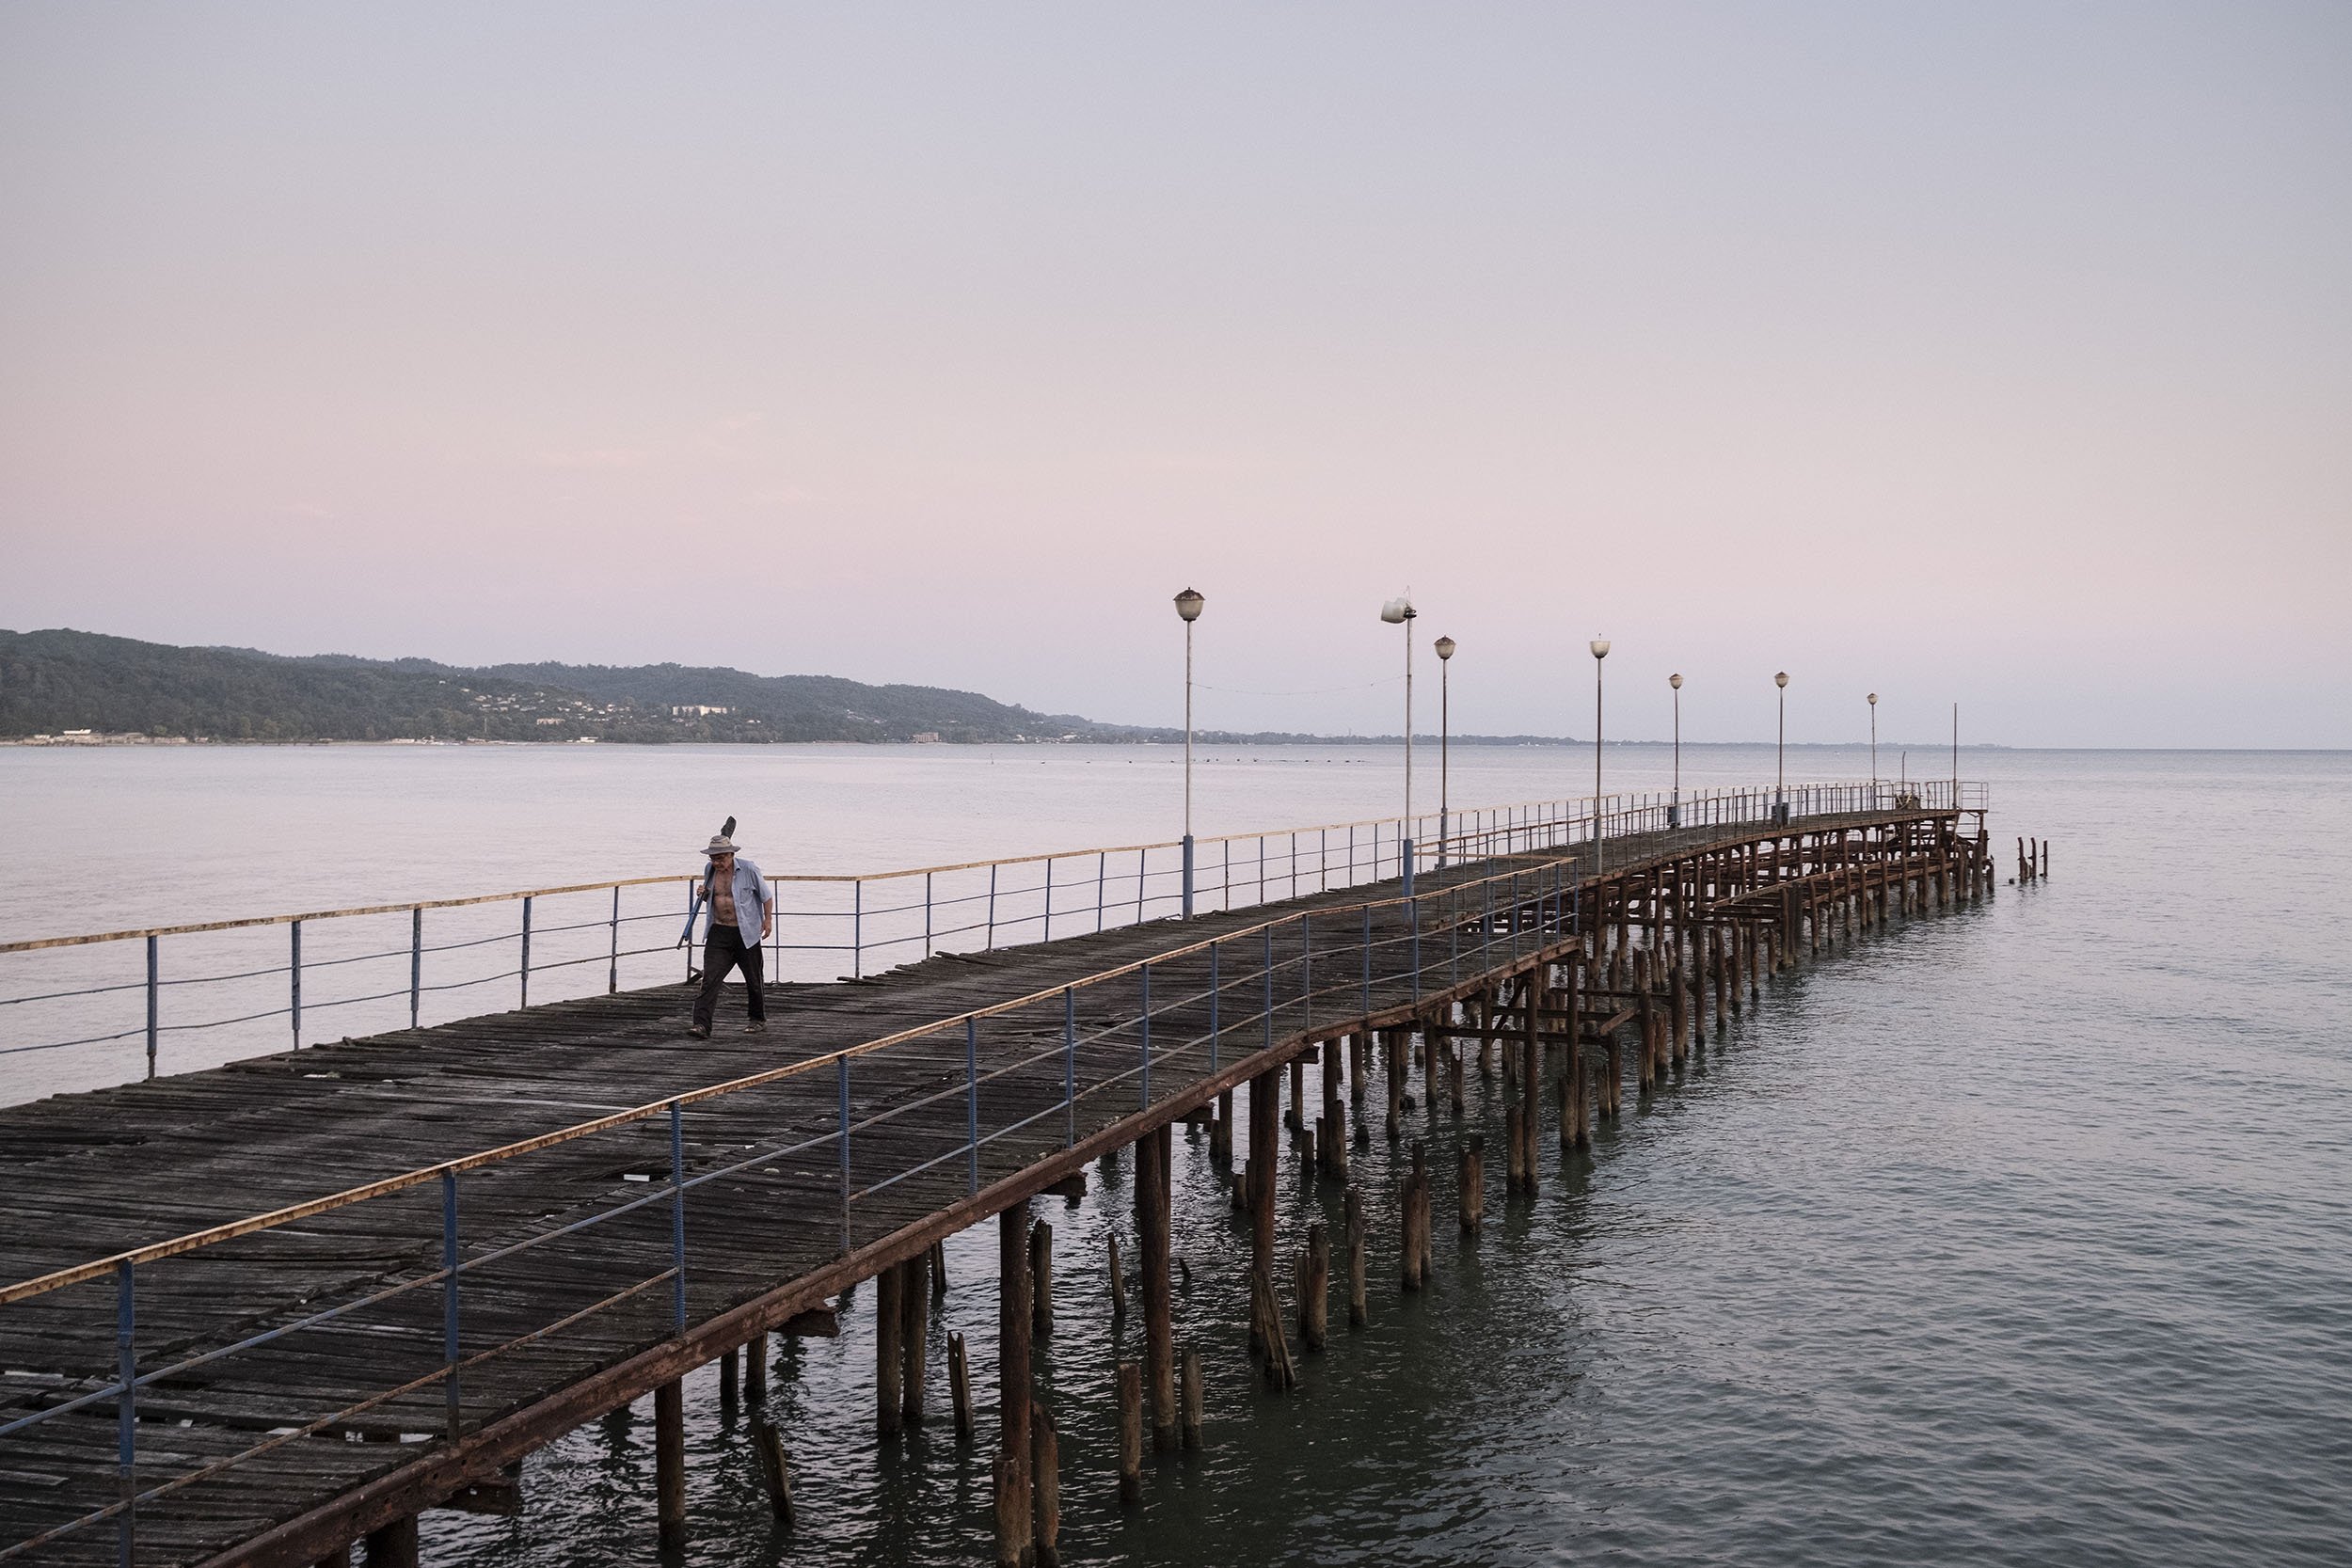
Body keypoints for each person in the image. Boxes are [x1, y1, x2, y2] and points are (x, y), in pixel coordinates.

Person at [679, 832, 771, 1037]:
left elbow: (766, 896)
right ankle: (701, 1025)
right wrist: (704, 894)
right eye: (713, 858)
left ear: (731, 855)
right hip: (718, 931)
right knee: (710, 978)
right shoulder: (709, 870)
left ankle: (757, 1019)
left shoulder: (748, 868)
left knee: (754, 979)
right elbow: (715, 899)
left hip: (745, 932)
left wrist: (767, 921)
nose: (716, 862)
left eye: (720, 858)